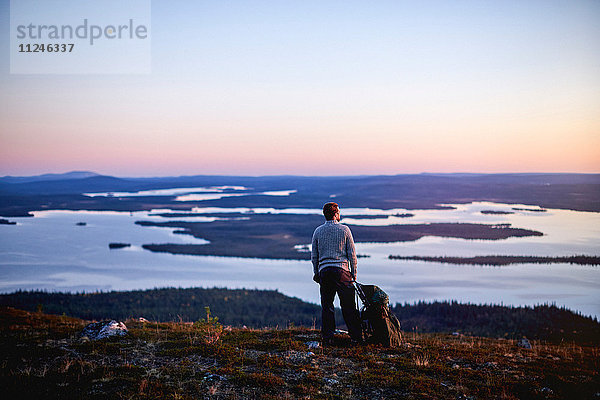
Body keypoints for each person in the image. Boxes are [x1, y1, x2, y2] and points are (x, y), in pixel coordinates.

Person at [311, 202, 362, 344]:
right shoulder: (345, 230)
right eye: (338, 211)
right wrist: (354, 274)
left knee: (327, 305)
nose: (340, 214)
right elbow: (352, 255)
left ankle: (328, 337)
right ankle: (356, 337)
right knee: (349, 306)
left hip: (325, 272)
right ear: (335, 214)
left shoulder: (318, 231)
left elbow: (314, 256)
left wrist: (317, 273)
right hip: (342, 272)